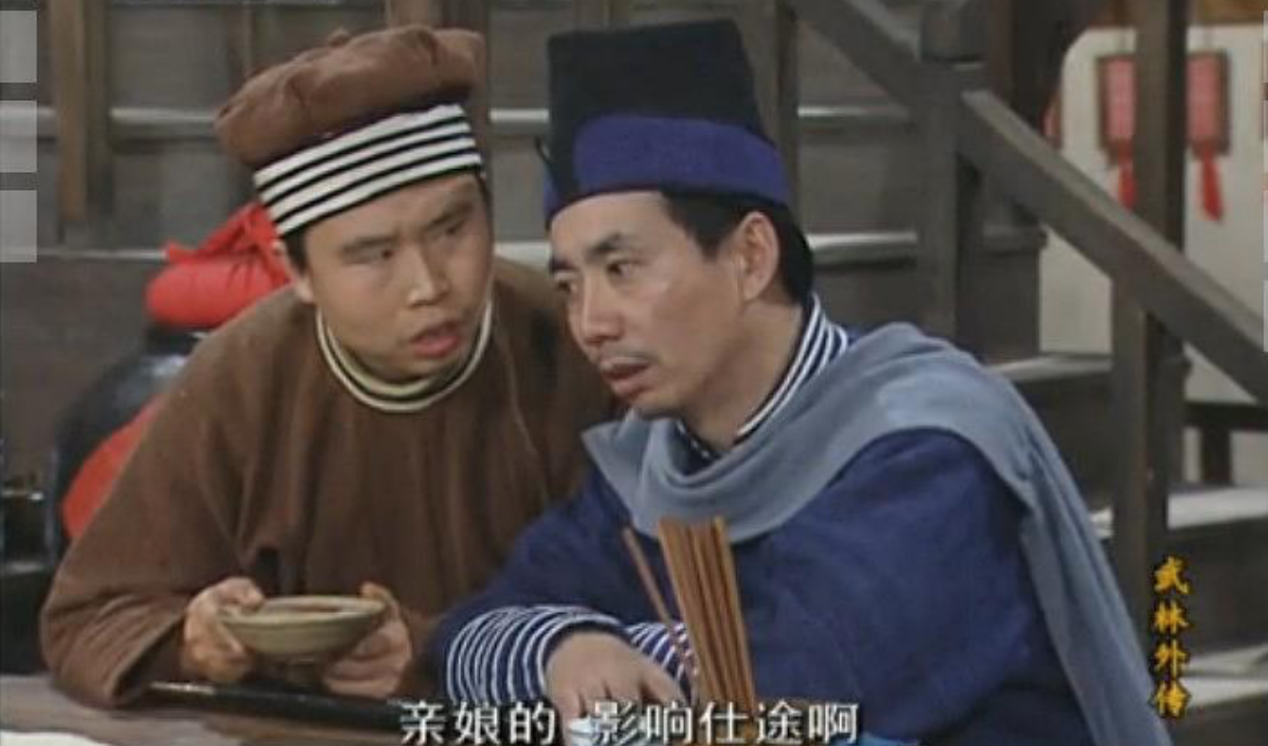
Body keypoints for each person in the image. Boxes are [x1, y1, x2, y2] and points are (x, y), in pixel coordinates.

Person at [425, 20, 1169, 746]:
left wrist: (611, 656)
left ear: (751, 257)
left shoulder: (926, 447)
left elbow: (788, 690)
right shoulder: (650, 469)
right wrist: (565, 648)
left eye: (622, 270)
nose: (591, 322)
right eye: (569, 286)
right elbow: (469, 635)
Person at [40, 24, 611, 707]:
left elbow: (661, 611)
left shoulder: (571, 341)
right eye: (374, 254)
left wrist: (435, 650)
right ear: (298, 272)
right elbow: (86, 617)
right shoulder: (243, 376)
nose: (429, 285)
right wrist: (192, 641)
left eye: (452, 229)